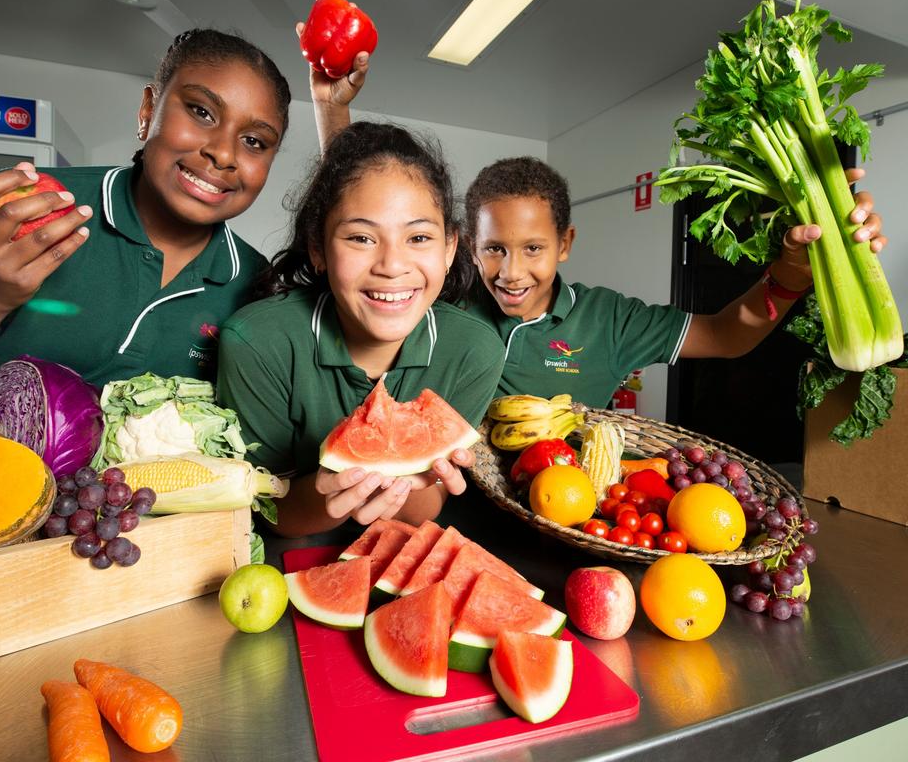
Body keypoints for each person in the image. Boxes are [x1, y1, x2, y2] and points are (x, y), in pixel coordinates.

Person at [0, 29, 292, 403]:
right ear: (148, 110)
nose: (222, 153)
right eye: (202, 112)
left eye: (254, 141)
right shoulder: (18, 206)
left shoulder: (258, 285)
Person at [217, 122, 505, 538]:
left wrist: (410, 482)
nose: (391, 265)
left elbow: (427, 508)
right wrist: (331, 498)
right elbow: (268, 510)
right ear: (318, 248)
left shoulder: (475, 350)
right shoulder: (257, 342)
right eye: (361, 238)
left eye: (419, 237)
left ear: (449, 248)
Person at [462, 156, 886, 408]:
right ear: (469, 245)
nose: (511, 273)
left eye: (533, 249)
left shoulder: (609, 319)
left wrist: (793, 275)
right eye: (493, 248)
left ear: (565, 243)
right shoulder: (443, 309)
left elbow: (725, 335)